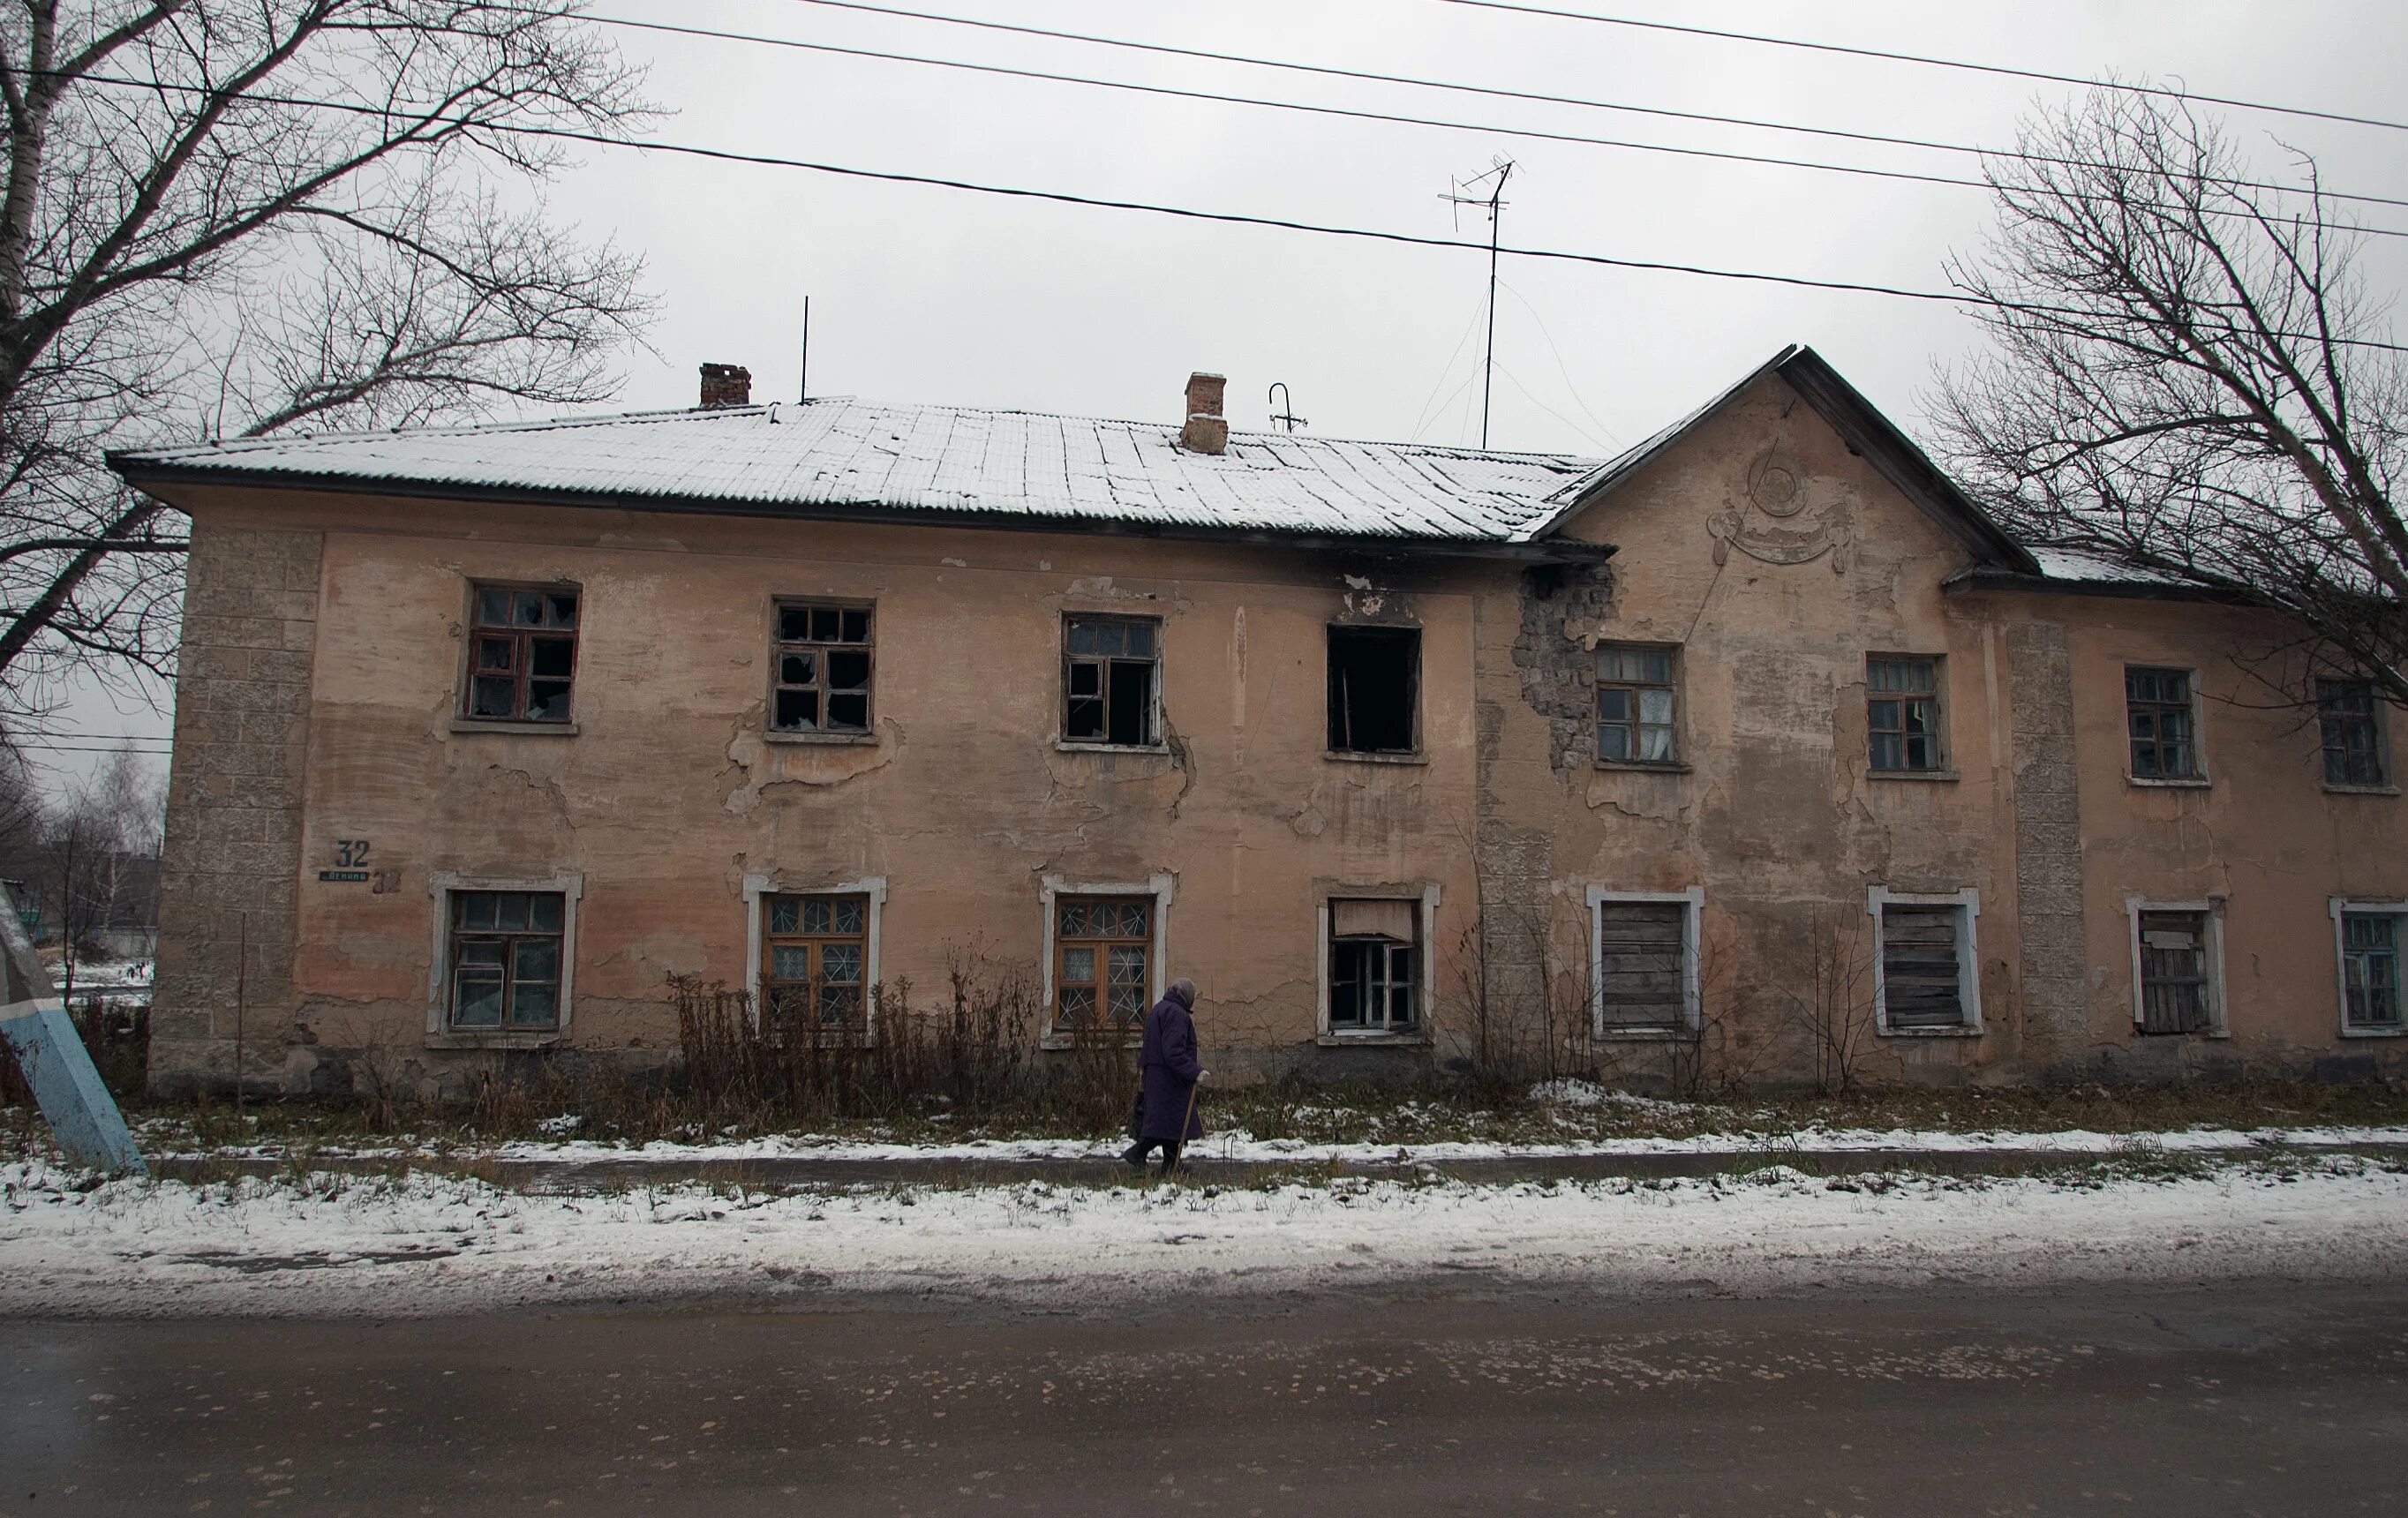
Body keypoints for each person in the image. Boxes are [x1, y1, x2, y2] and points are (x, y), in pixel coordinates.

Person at [1123, 977, 1204, 1175]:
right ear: (1187, 996)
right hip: (1169, 1078)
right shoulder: (1176, 1014)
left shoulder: (1161, 1008)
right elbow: (1173, 1051)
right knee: (1165, 1122)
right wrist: (1194, 1071)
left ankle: (1171, 1164)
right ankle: (1137, 1153)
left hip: (1158, 1075)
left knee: (1168, 1122)